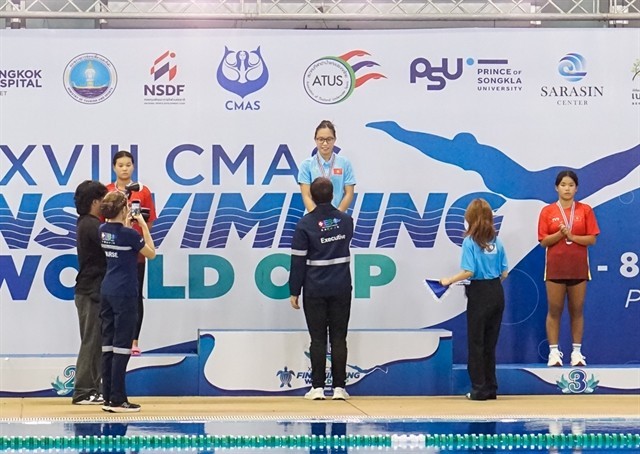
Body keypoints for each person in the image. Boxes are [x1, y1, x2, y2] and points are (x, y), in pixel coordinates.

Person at [289, 177, 354, 400]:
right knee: (339, 337)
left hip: (315, 289)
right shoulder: (346, 221)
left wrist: (294, 290)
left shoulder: (305, 224)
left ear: (312, 196)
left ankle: (317, 388)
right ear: (333, 193)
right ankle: (339, 388)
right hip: (341, 287)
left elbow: (297, 261)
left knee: (317, 339)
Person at [440, 198, 508, 401]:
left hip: (479, 293)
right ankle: (491, 387)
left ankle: (478, 389)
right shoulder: (497, 241)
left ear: (469, 219)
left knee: (476, 342)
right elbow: (504, 272)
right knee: (490, 343)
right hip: (496, 291)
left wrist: (448, 280)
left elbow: (469, 271)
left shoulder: (469, 242)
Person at [99, 191, 156, 412]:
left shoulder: (102, 230)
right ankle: (118, 399)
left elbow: (115, 229)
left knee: (107, 345)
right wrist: (141, 224)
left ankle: (107, 396)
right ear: (124, 209)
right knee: (122, 347)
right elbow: (151, 254)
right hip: (125, 293)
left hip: (107, 290)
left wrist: (124, 221)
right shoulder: (130, 235)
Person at [538, 170, 599, 367]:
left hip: (578, 269)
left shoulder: (585, 210)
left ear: (577, 188)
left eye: (571, 185)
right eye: (563, 184)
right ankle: (554, 353)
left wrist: (572, 237)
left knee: (577, 310)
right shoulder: (547, 211)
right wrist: (560, 234)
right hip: (555, 269)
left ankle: (577, 353)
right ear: (557, 187)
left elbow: (592, 239)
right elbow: (543, 242)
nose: (567, 188)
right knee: (554, 310)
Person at [106, 150, 157, 356]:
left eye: (128, 164)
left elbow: (149, 221)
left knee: (135, 297)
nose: (125, 168)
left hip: (136, 253)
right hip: (113, 253)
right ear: (114, 168)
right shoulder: (108, 191)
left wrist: (137, 239)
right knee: (112, 296)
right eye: (121, 165)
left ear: (133, 167)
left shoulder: (142, 191)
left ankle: (134, 341)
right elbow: (104, 221)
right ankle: (113, 340)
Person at [72, 180, 108, 405]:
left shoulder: (88, 223)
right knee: (91, 341)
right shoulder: (92, 226)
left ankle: (92, 388)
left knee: (96, 342)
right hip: (90, 290)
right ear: (95, 201)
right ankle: (84, 390)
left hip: (92, 289)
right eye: (104, 200)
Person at [298, 120, 356, 213]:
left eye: (329, 139)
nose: (325, 143)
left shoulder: (344, 163)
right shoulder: (306, 165)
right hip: (314, 218)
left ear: (334, 139)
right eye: (321, 139)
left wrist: (337, 215)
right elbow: (306, 196)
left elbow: (349, 193)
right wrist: (318, 217)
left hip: (338, 218)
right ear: (315, 140)